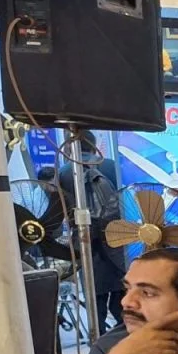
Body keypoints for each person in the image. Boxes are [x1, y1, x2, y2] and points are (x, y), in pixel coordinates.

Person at [57, 130, 125, 332]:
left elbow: (59, 208)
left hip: (87, 242)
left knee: (95, 301)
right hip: (116, 238)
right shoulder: (112, 166)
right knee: (122, 296)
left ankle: (99, 340)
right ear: (94, 145)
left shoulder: (65, 172)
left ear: (70, 147)